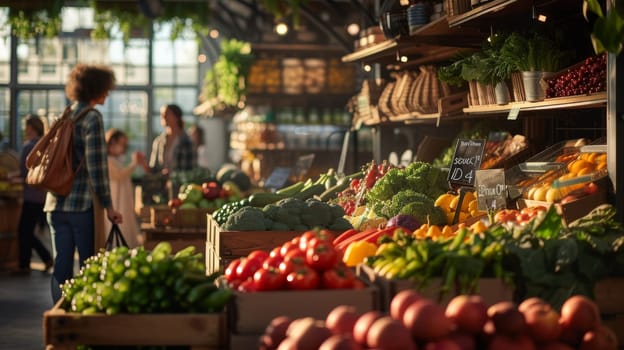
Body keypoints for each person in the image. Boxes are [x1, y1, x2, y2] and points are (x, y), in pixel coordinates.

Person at [44, 63, 123, 303]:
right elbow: (97, 167)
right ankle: (83, 316)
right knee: (89, 263)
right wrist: (109, 207)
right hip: (81, 205)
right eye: (106, 89)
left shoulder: (64, 115)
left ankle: (60, 313)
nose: (108, 94)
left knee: (62, 265)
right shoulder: (92, 119)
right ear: (96, 89)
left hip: (55, 203)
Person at [14, 115, 53, 274]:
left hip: (30, 196)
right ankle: (39, 260)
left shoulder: (28, 146)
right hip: (42, 195)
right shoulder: (44, 145)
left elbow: (25, 173)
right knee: (28, 231)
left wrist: (11, 178)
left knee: (24, 231)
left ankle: (26, 264)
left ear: (31, 127)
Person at [104, 129, 148, 248]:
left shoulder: (116, 160)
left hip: (122, 199)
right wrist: (134, 163)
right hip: (116, 201)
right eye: (122, 144)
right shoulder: (107, 160)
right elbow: (119, 175)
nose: (124, 148)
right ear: (112, 142)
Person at [149, 104, 196, 175]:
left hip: (181, 185)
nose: (163, 116)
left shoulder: (187, 141)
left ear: (176, 117)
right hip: (161, 184)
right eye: (161, 114)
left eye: (166, 114)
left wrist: (173, 175)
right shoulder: (159, 141)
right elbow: (153, 169)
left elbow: (190, 170)